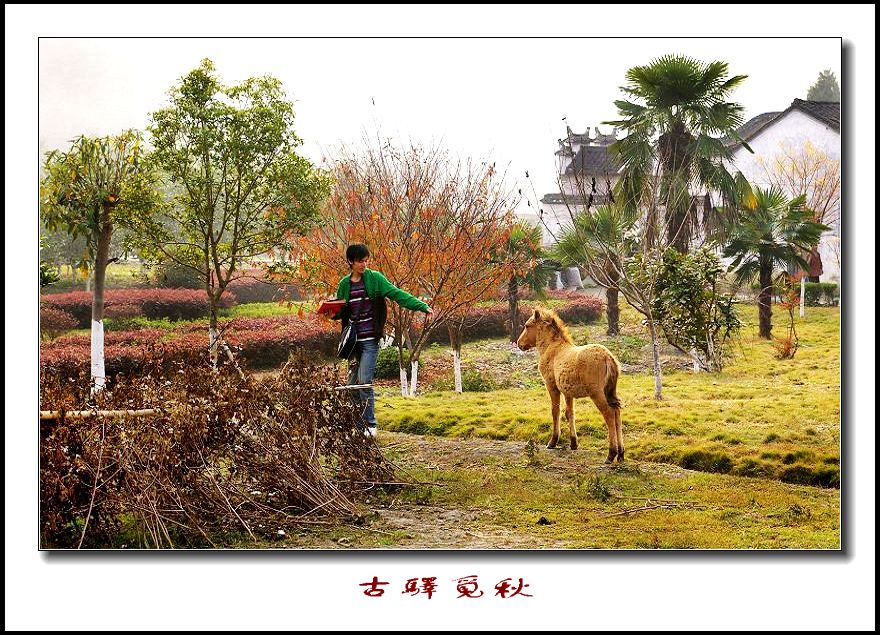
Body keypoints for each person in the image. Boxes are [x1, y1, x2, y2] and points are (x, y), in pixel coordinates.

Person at [333, 244, 432, 436]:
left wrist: (422, 306)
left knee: (364, 381)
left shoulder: (375, 279)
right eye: (360, 261)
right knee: (351, 385)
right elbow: (340, 313)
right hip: (353, 343)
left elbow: (397, 294)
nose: (364, 264)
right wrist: (330, 312)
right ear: (351, 262)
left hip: (370, 340)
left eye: (366, 260)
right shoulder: (344, 284)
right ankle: (357, 426)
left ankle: (370, 425)